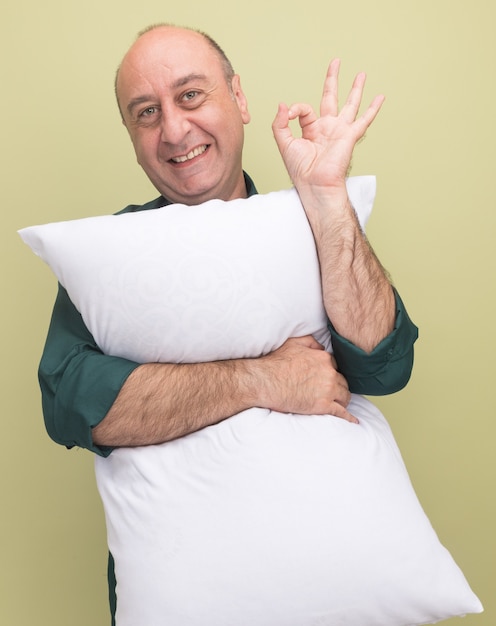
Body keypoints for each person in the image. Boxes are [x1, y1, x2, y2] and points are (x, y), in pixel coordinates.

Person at [38, 23, 418, 622]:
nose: (173, 129)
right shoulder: (110, 256)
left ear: (238, 100)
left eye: (191, 95)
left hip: (332, 589)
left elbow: (384, 363)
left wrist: (327, 199)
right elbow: (72, 402)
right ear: (132, 137)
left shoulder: (317, 224)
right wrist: (264, 380)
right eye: (146, 112)